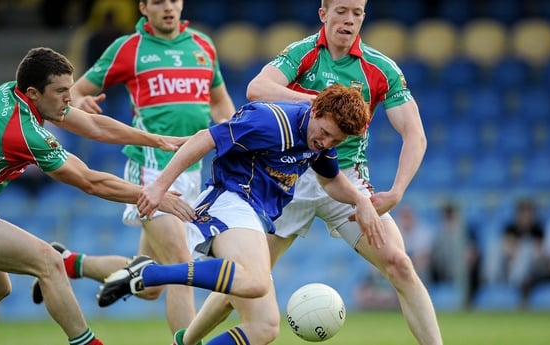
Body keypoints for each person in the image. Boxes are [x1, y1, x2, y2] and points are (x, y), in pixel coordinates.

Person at [176, 0, 443, 344]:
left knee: (399, 265)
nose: (348, 20)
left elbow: (414, 133)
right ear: (324, 14)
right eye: (341, 11)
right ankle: (184, 341)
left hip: (344, 180)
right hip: (289, 175)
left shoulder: (381, 69)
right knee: (248, 280)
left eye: (357, 13)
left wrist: (398, 190)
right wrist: (320, 103)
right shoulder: (303, 53)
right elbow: (257, 89)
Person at [97, 84, 383, 345]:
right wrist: (160, 187)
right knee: (255, 281)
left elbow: (331, 180)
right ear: (316, 110)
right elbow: (204, 138)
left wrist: (361, 201)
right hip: (231, 201)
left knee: (264, 327)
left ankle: (182, 342)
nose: (326, 143)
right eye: (325, 133)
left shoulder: (318, 141)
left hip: (256, 217)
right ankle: (149, 273)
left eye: (335, 141)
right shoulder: (271, 120)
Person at [30, 0, 236, 334]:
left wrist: (229, 126)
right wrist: (81, 101)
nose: (168, 7)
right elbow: (78, 92)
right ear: (143, 7)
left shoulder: (203, 46)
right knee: (181, 265)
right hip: (151, 171)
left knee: (152, 284)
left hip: (193, 172)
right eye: (158, 1)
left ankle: (70, 262)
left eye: (173, 0)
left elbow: (220, 100)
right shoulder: (129, 49)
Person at [0, 47, 195, 344]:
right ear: (34, 92)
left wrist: (154, 140)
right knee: (47, 261)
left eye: (70, 90)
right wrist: (153, 194)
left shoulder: (15, 94)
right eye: (61, 91)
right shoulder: (21, 131)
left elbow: (91, 124)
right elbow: (89, 181)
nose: (69, 99)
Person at [430, 203, 480, 308]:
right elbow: (436, 254)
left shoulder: (466, 231)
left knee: (461, 263)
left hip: (460, 266)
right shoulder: (440, 233)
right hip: (441, 267)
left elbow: (473, 251)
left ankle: (465, 300)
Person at [486, 199, 544, 288]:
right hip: (510, 265)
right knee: (495, 246)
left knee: (526, 249)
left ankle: (514, 287)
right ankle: (492, 284)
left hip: (531, 269)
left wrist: (520, 250)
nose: (526, 216)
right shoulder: (511, 229)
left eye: (528, 212)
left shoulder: (538, 230)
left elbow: (538, 253)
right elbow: (507, 249)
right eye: (522, 212)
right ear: (517, 214)